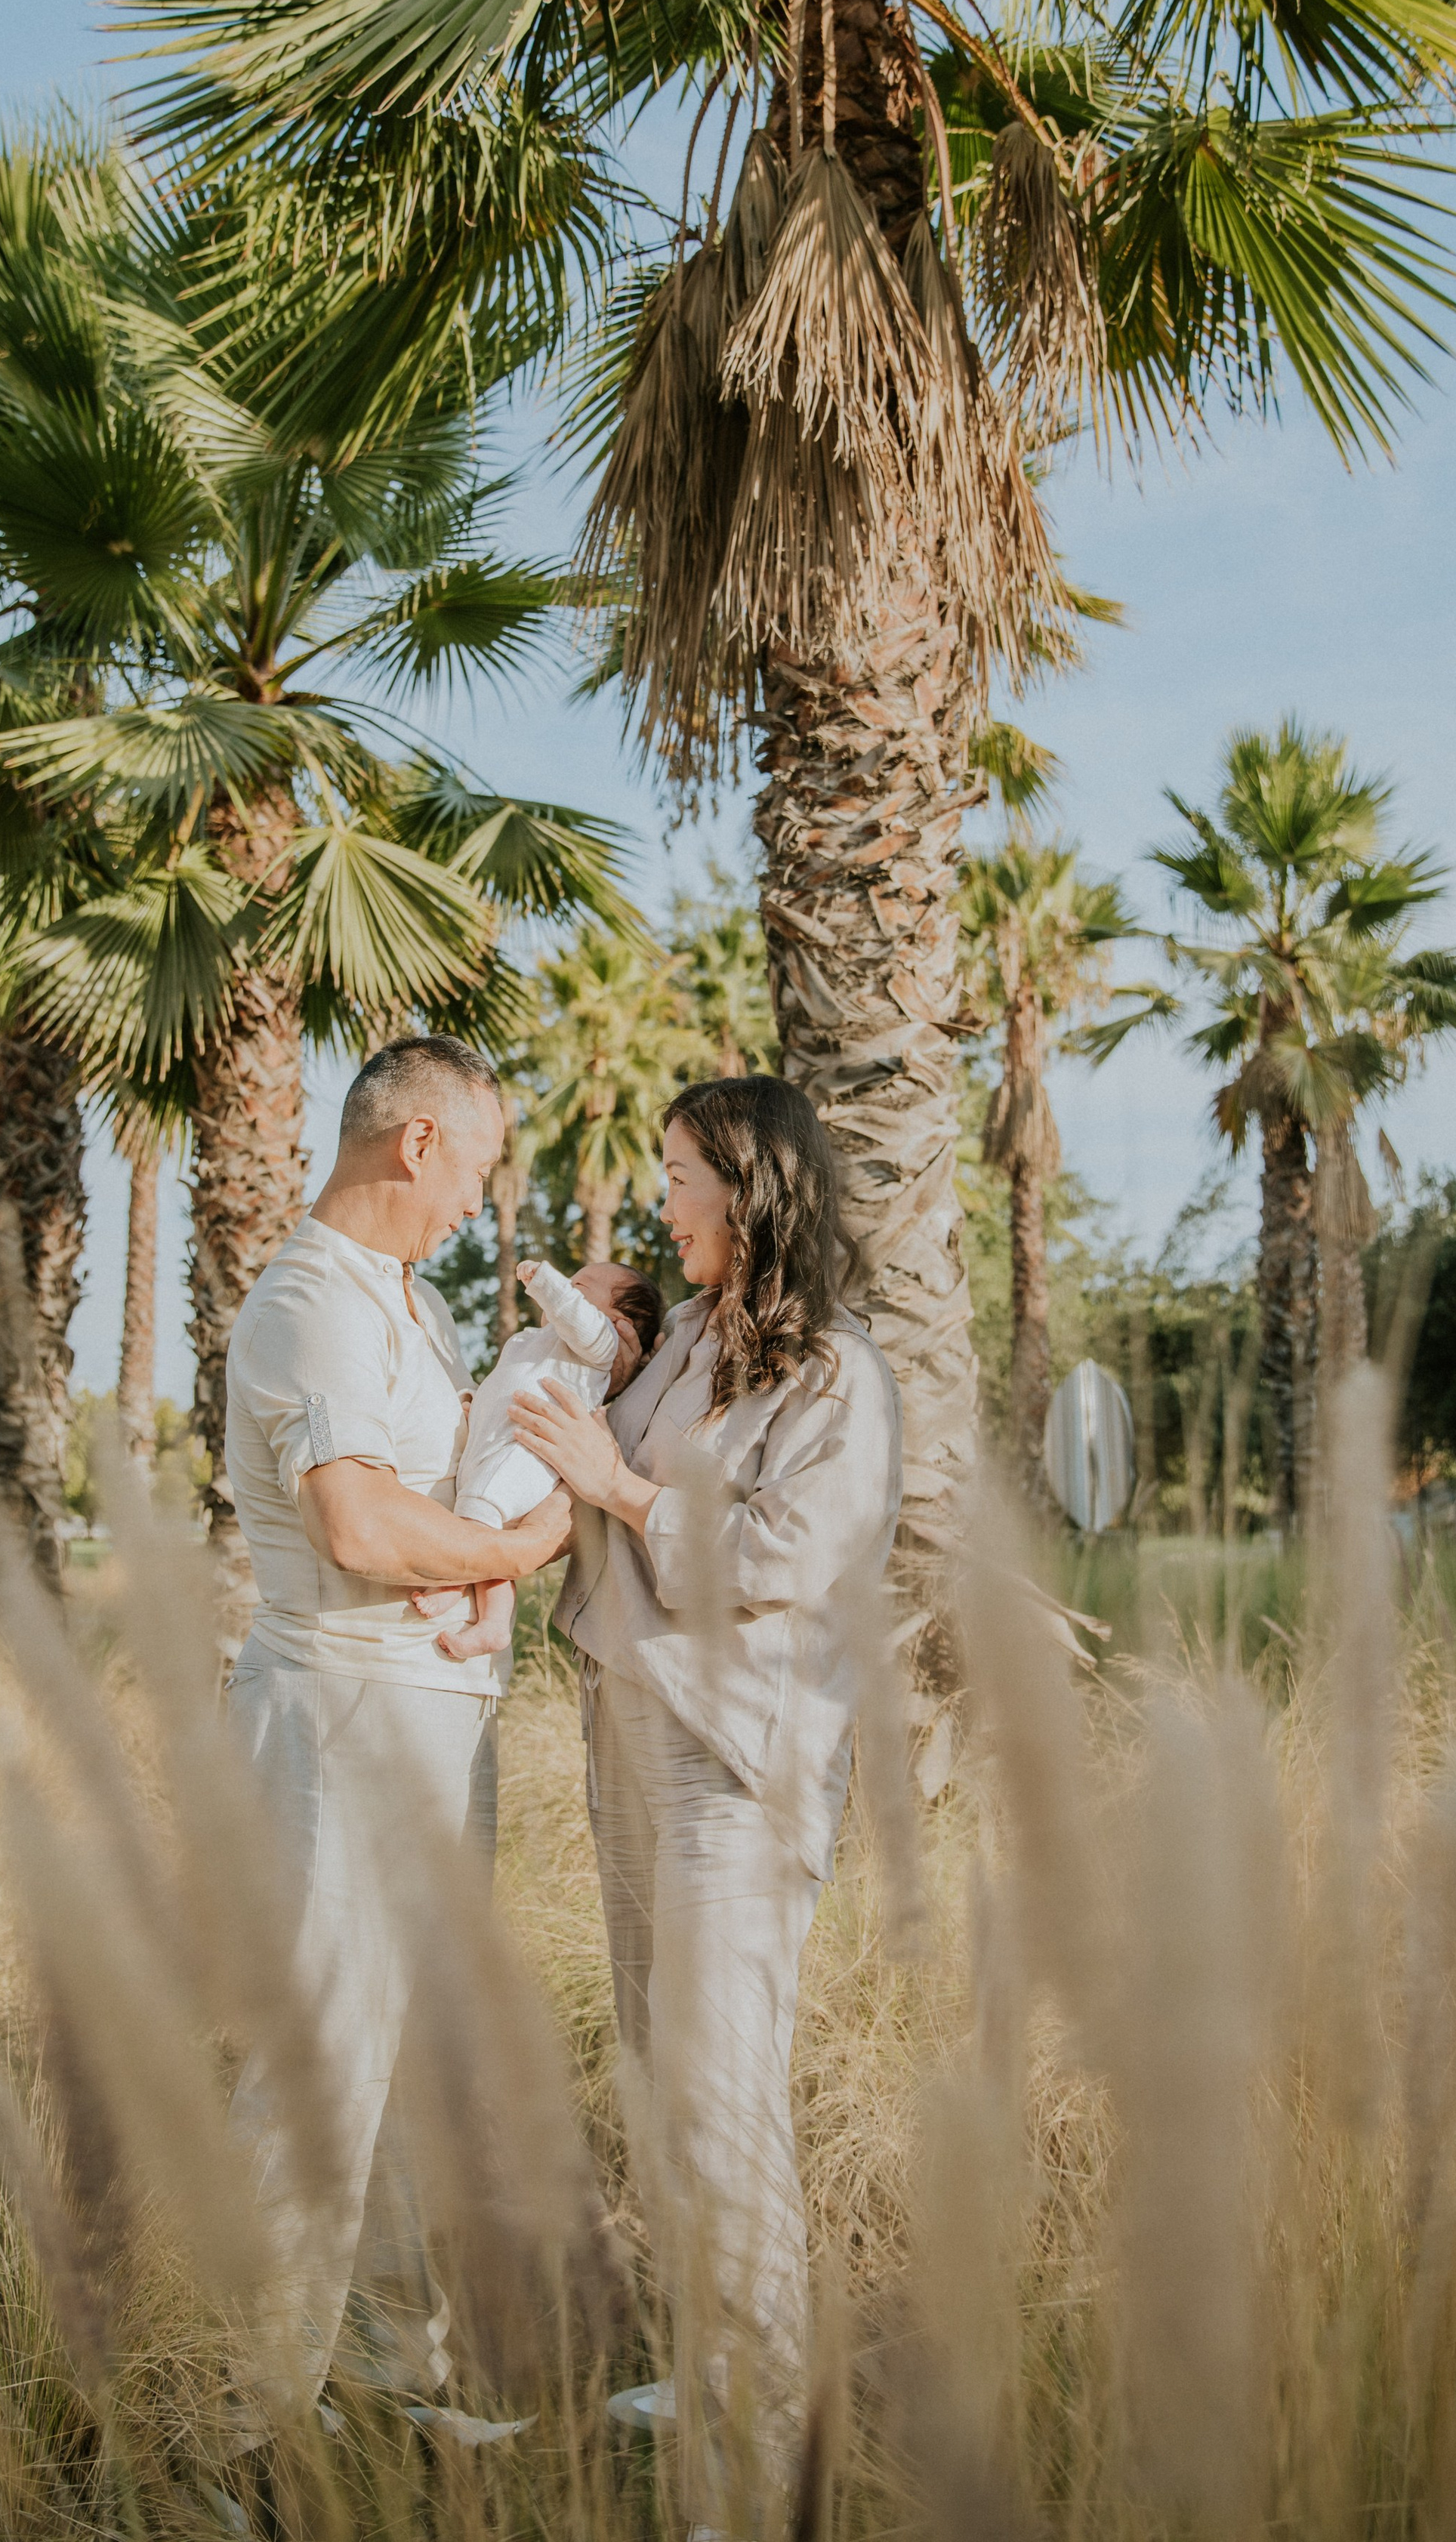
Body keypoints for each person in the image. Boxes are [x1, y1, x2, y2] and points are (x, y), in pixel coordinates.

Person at [514, 1076, 903, 2536]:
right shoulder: (684, 1338)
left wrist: (623, 1491)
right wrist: (604, 1339)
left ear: (750, 1192)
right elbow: (570, 1454)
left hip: (739, 1765)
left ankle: (758, 2465)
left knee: (722, 2090)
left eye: (679, 1175)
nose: (659, 1199)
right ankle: (713, 2374)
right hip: (628, 1730)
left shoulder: (842, 1376)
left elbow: (787, 1555)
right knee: (658, 2063)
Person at [221, 1033, 572, 2388]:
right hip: (345, 1721)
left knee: (423, 2060)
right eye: (477, 1167)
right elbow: (360, 1526)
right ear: (417, 1142)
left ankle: (386, 2381)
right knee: (322, 2063)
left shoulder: (412, 1304)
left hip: (437, 1719)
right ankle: (247, 2425)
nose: (480, 1199)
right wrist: (526, 1550)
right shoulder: (312, 1302)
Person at [440, 1259, 663, 1661]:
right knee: (483, 1520)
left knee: (478, 1512)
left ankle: (464, 1595)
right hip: (503, 1443)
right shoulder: (535, 1340)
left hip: (529, 1452)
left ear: (618, 1323)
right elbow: (505, 1384)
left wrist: (544, 1280)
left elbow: (580, 1320)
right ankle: (480, 1603)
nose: (568, 1286)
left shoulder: (599, 1343)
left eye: (581, 1287)